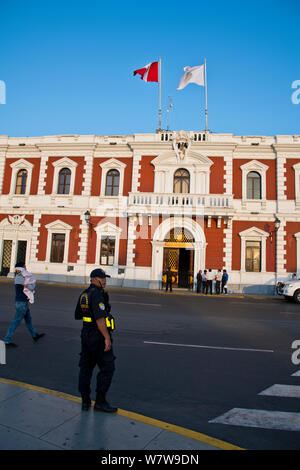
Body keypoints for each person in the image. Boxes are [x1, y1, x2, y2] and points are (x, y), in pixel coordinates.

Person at [75, 268, 117, 413]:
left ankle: (85, 401)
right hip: (98, 336)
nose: (104, 280)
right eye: (101, 278)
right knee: (107, 367)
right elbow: (100, 319)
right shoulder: (97, 295)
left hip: (85, 334)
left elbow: (78, 315)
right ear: (93, 279)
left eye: (105, 277)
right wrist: (106, 338)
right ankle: (100, 401)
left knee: (86, 369)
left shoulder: (84, 294)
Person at [3, 262, 45, 347]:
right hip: (21, 303)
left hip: (23, 302)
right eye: (24, 266)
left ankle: (34, 335)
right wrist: (32, 285)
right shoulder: (20, 278)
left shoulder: (19, 276)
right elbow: (29, 286)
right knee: (16, 322)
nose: (26, 267)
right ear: (22, 267)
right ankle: (7, 340)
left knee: (28, 320)